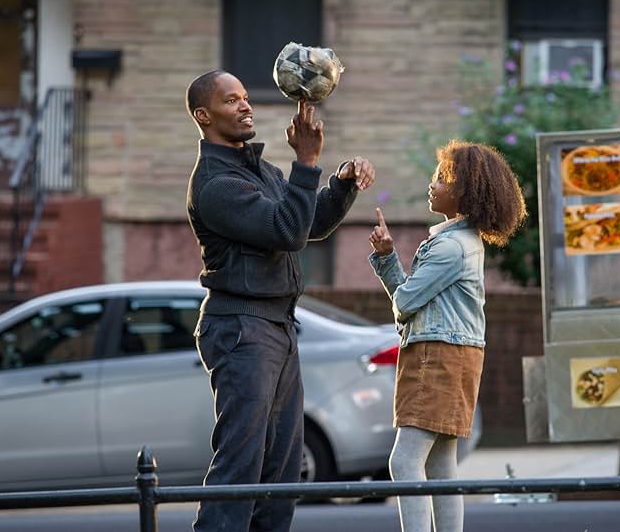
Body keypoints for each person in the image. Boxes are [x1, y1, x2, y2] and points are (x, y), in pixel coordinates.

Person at [185, 69, 375, 532]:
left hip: (277, 326)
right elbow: (287, 231)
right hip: (242, 328)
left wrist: (341, 183)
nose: (246, 106)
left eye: (247, 97)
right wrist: (307, 160)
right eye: (232, 101)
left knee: (282, 471)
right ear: (203, 116)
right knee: (242, 464)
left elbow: (306, 222)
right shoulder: (215, 184)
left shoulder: (257, 170)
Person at [368, 140, 526, 532]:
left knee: (403, 462)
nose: (432, 184)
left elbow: (405, 301)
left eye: (442, 179)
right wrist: (389, 254)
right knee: (441, 464)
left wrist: (387, 260)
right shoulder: (466, 243)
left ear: (464, 192)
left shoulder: (450, 247)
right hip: (460, 355)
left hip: (436, 356)